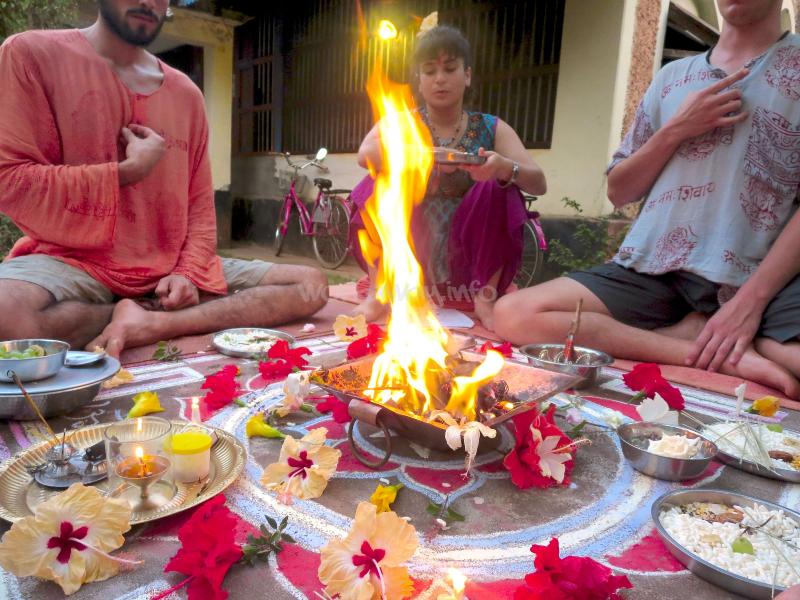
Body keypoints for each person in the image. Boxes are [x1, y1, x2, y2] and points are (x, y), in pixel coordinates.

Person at [495, 0, 800, 398]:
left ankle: (740, 337)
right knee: (515, 315)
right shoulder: (673, 78)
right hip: (654, 271)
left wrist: (749, 306)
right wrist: (677, 129)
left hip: (760, 276)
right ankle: (701, 349)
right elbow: (620, 189)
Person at [0, 0, 328, 357]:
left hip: (168, 264)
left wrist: (187, 272)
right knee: (6, 315)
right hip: (72, 260)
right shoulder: (31, 54)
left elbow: (200, 206)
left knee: (311, 285)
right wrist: (123, 173)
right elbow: (9, 179)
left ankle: (153, 323)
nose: (148, 2)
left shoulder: (186, 93)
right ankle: (122, 314)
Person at [351, 24, 546, 329]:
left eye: (450, 68)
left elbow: (539, 182)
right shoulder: (405, 121)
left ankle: (485, 298)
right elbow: (365, 155)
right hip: (414, 252)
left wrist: (504, 167)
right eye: (429, 71)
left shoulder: (491, 127)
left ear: (466, 75)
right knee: (376, 184)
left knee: (499, 186)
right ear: (420, 79)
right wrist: (414, 156)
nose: (439, 79)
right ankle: (379, 293)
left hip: (470, 261)